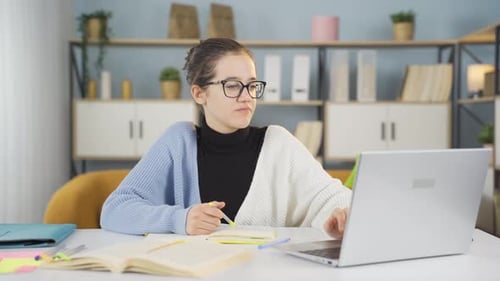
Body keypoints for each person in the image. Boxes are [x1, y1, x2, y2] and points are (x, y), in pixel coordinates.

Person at [100, 38, 352, 238]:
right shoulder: (177, 142)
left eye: (252, 85)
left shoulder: (279, 143)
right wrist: (181, 219)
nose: (247, 96)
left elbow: (333, 196)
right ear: (199, 93)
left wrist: (342, 214)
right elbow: (115, 210)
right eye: (232, 85)